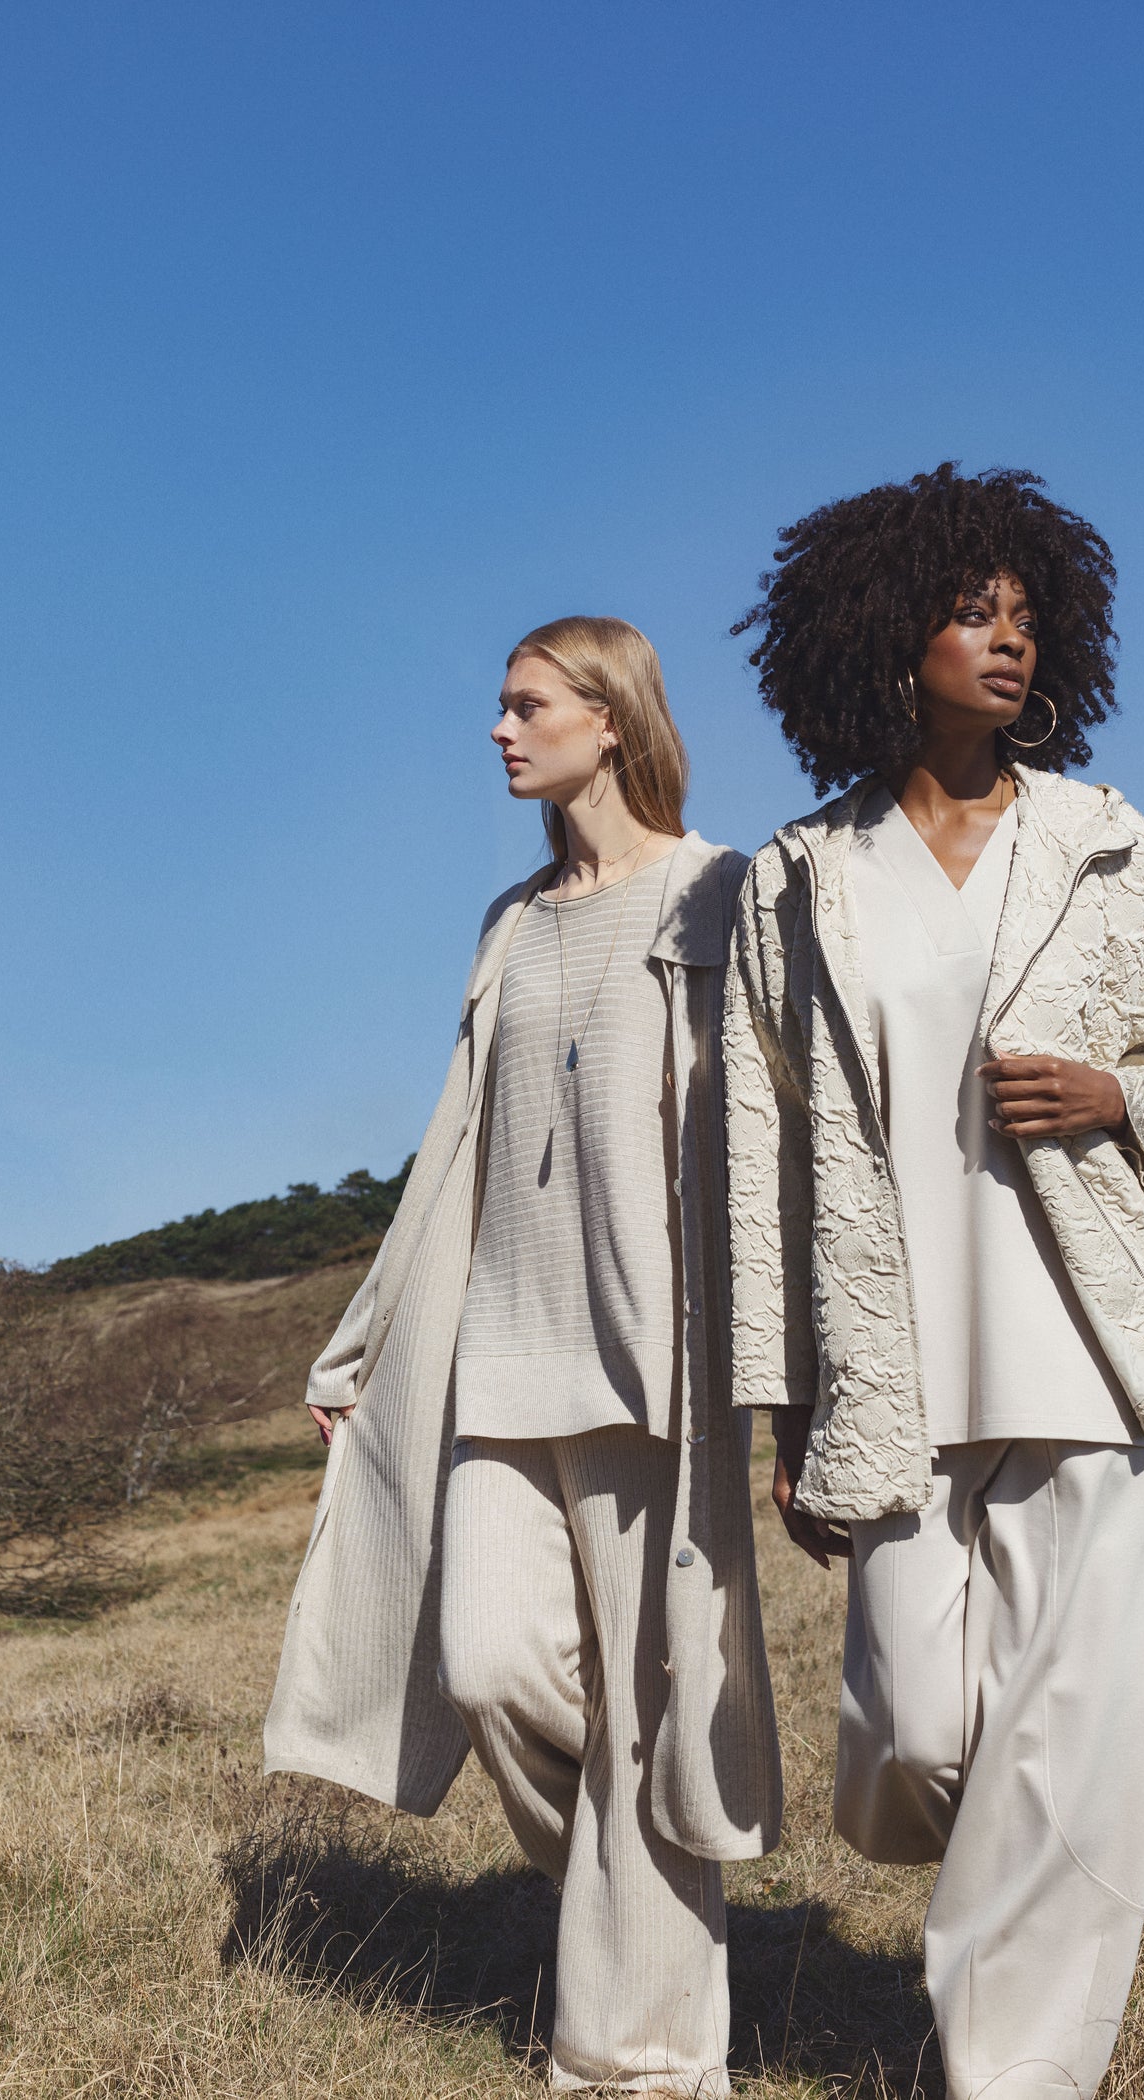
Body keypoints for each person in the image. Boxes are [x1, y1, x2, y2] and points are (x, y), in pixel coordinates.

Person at [723, 466, 1144, 2100]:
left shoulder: (1102, 839)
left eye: (1023, 618)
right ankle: (999, 1904)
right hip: (894, 1369)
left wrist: (1112, 1093)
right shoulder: (798, 877)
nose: (1006, 643)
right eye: (970, 613)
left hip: (1086, 1352)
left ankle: (1010, 2070)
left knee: (1070, 1742)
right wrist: (782, 1401)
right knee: (914, 1741)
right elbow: (762, 1154)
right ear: (888, 636)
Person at [265, 616, 781, 2096]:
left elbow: (760, 1132)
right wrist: (366, 1346)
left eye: (526, 703)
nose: (499, 729)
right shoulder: (510, 920)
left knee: (650, 1701)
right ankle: (636, 1919)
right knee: (489, 1665)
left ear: (609, 717)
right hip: (496, 1355)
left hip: (652, 1366)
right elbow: (455, 1150)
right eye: (501, 706)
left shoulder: (718, 891)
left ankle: (641, 2054)